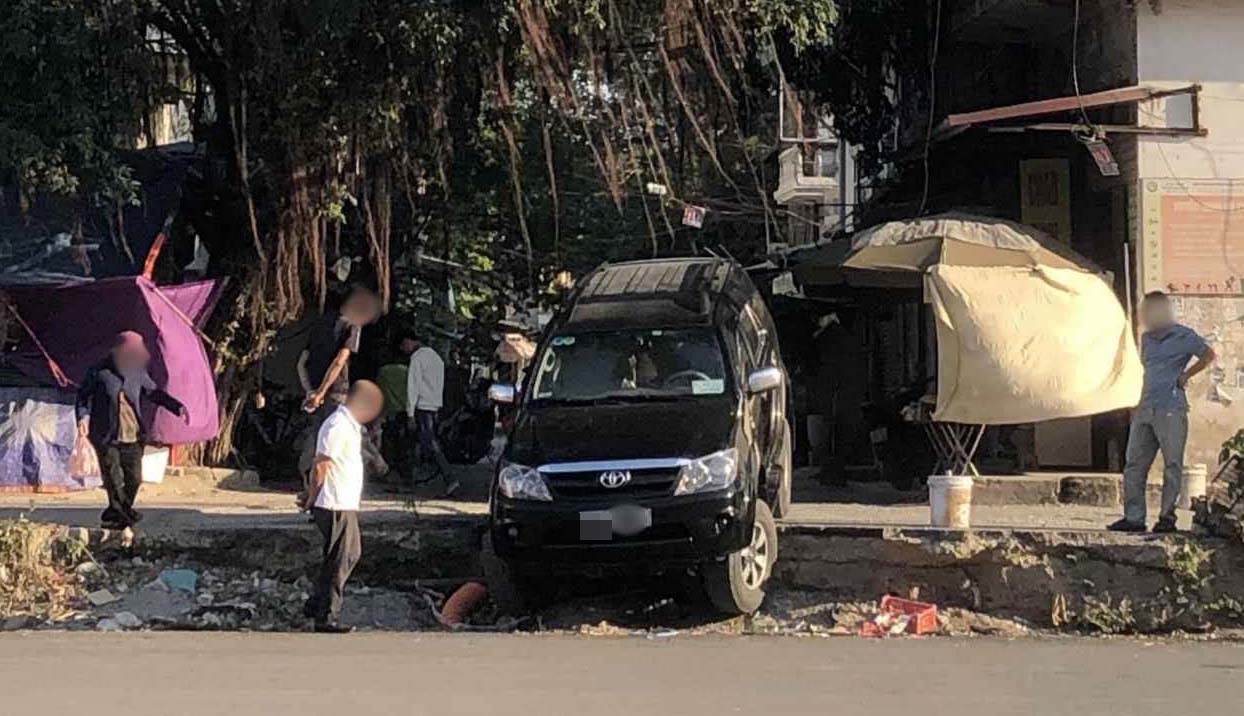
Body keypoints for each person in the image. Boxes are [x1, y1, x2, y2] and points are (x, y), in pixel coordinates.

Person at [1109, 291, 1216, 534]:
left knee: (1172, 464)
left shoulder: (1184, 336)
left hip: (1171, 408)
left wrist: (1186, 375)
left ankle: (1167, 517)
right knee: (1134, 464)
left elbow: (1209, 355)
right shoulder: (1147, 339)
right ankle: (1134, 518)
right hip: (1145, 407)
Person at [75, 331, 186, 530]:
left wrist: (176, 406)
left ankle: (116, 513)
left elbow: (153, 392)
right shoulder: (99, 372)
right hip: (106, 435)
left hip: (133, 435)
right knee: (113, 479)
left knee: (134, 479)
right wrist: (82, 417)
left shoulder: (137, 372)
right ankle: (123, 516)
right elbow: (83, 397)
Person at [301, 380, 384, 633]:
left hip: (344, 500)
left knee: (343, 555)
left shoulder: (349, 426)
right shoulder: (337, 425)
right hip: (334, 501)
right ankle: (327, 615)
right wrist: (311, 497)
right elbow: (321, 464)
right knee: (342, 558)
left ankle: (316, 604)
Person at [296, 286, 382, 479]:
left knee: (317, 438)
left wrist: (310, 391)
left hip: (314, 394)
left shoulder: (318, 324)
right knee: (337, 440)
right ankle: (330, 484)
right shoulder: (352, 325)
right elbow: (339, 361)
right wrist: (321, 392)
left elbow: (301, 363)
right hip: (336, 392)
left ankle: (311, 485)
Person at [406, 334, 459, 496]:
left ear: (411, 341)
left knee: (429, 442)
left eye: (405, 344)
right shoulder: (436, 358)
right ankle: (412, 478)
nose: (405, 349)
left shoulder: (417, 358)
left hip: (422, 406)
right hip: (434, 405)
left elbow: (412, 385)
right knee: (420, 441)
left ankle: (449, 477)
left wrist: (410, 412)